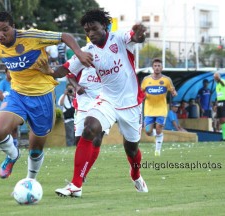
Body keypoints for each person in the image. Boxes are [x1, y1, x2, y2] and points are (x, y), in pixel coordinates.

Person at [0, 11, 93, 181]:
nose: (1, 35)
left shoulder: (32, 36)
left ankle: (30, 181)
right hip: (17, 94)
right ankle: (12, 155)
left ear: (13, 27)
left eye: (5, 30)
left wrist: (79, 53)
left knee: (36, 149)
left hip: (42, 97)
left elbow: (65, 36)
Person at [45, 9, 148, 197]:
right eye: (87, 31)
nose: (91, 34)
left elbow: (136, 37)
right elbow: (65, 70)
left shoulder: (119, 39)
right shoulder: (87, 52)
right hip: (107, 99)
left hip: (131, 103)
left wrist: (139, 33)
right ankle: (76, 185)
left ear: (104, 26)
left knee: (132, 149)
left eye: (94, 28)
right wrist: (47, 71)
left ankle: (136, 175)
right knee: (90, 127)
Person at [67, 67, 106, 181]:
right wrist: (77, 86)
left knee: (97, 139)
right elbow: (69, 74)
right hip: (83, 105)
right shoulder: (83, 58)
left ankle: (82, 175)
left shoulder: (109, 59)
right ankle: (80, 172)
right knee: (79, 141)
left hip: (103, 104)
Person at [141, 58, 177, 156]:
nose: (157, 68)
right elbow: (141, 92)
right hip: (149, 110)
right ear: (152, 67)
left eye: (159, 66)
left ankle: (157, 150)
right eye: (155, 66)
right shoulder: (146, 80)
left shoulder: (166, 80)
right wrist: (142, 97)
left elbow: (173, 90)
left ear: (162, 67)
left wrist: (174, 93)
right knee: (148, 131)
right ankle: (158, 136)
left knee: (158, 129)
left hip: (161, 109)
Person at [0, 68, 19, 147]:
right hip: (7, 108)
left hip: (16, 107)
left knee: (15, 127)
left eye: (12, 72)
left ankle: (15, 145)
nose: (11, 74)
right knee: (8, 127)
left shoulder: (16, 83)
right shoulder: (3, 83)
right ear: (6, 73)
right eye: (9, 72)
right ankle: (9, 146)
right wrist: (7, 104)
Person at [213, 72, 225, 141]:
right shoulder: (217, 86)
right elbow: (218, 96)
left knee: (224, 118)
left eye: (216, 77)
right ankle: (224, 137)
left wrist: (219, 79)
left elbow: (222, 84)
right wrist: (216, 105)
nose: (215, 78)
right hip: (220, 102)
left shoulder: (223, 81)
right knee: (220, 120)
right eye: (214, 77)